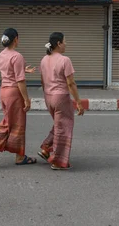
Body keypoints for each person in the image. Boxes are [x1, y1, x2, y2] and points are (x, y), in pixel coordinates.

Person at [0, 28, 37, 167]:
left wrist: (23, 69)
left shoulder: (1, 55)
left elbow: (9, 71)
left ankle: (20, 155)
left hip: (4, 91)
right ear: (16, 39)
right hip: (14, 93)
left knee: (12, 122)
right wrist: (26, 99)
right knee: (11, 123)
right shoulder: (17, 56)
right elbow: (20, 81)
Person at [38, 32, 84, 170]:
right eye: (65, 41)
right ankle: (58, 161)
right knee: (64, 128)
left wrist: (48, 94)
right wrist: (79, 102)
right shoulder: (65, 60)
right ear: (58, 43)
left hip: (48, 97)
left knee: (59, 125)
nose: (66, 44)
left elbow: (42, 81)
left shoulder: (44, 59)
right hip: (61, 98)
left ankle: (46, 148)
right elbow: (71, 84)